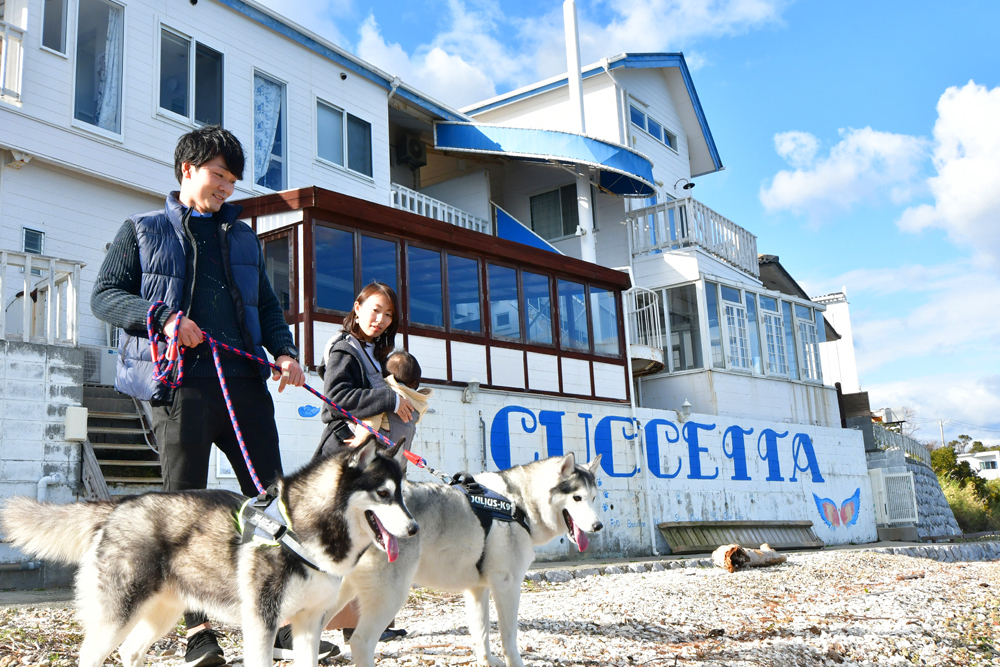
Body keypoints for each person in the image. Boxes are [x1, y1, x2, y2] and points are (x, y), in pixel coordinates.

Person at [91, 125, 333, 665]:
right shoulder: (143, 229)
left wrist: (286, 352)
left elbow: (268, 306)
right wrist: (163, 319)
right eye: (219, 175)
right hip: (182, 387)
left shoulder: (243, 237)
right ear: (187, 170)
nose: (227, 186)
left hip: (244, 385)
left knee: (272, 503)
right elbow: (104, 296)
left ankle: (281, 620)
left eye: (232, 179)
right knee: (186, 509)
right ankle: (197, 633)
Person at [313, 282, 415, 640]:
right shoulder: (345, 347)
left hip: (364, 460)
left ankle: (363, 625)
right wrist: (388, 397)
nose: (381, 319)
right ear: (357, 307)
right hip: (341, 457)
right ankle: (303, 629)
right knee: (336, 547)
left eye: (388, 314)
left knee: (361, 543)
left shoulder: (372, 350)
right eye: (375, 309)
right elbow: (335, 398)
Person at [345, 350, 432, 459]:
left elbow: (373, 418)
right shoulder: (419, 403)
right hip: (400, 458)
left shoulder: (386, 394)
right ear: (414, 383)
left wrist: (361, 439)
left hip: (380, 454)